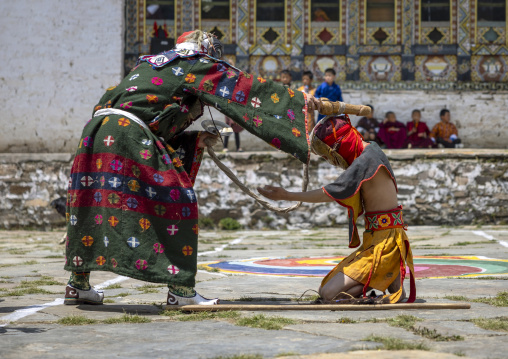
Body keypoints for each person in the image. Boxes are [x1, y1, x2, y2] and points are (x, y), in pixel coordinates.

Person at [64, 30, 321, 306]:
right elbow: (246, 89)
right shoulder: (193, 62)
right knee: (178, 201)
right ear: (204, 48)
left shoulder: (150, 62)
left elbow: (149, 114)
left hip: (96, 132)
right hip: (127, 134)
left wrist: (194, 139)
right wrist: (300, 102)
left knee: (89, 205)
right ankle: (181, 291)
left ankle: (77, 284)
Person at [258, 115, 415, 304]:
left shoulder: (366, 161)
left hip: (386, 245)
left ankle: (381, 280)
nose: (333, 161)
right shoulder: (373, 149)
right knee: (327, 289)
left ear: (341, 145)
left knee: (328, 293)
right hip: (382, 239)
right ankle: (386, 281)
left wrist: (288, 195)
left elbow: (330, 192)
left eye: (330, 155)